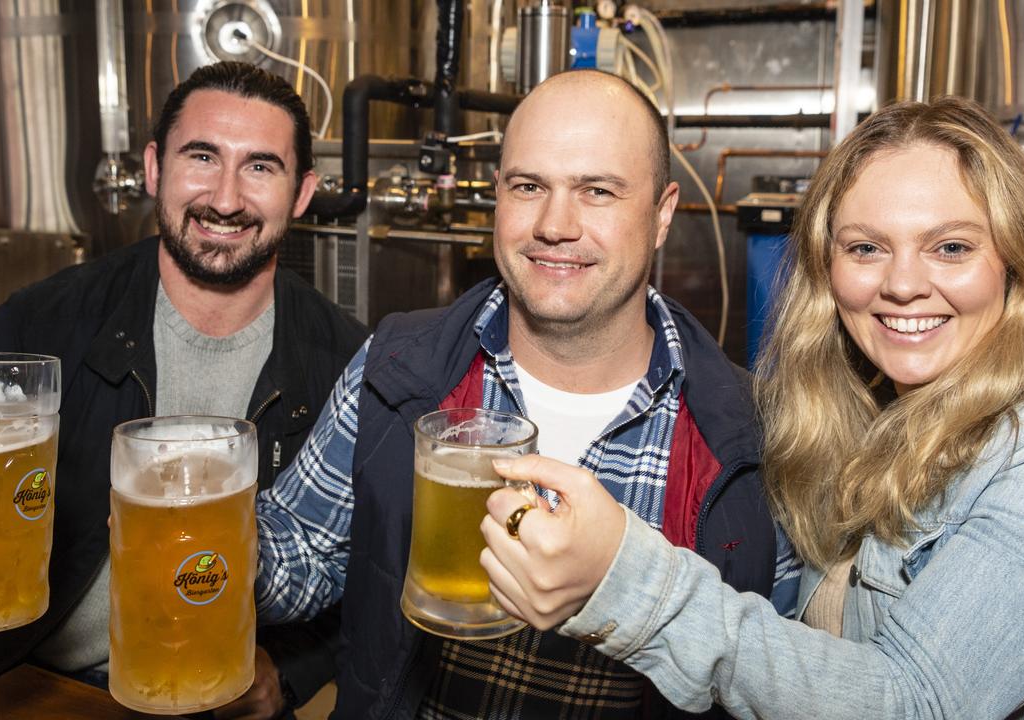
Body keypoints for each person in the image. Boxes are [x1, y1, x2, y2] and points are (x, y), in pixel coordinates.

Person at [480, 95, 1024, 718]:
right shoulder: (848, 431)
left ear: (1016, 260)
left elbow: (913, 702)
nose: (901, 284)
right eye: (866, 247)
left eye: (951, 247)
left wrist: (626, 576)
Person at [251, 68, 796, 719]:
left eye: (597, 191)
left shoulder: (752, 432)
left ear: (662, 215)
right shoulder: (400, 367)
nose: (554, 225)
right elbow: (301, 555)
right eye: (528, 186)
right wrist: (217, 539)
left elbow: (781, 675)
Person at [0, 61, 366, 719]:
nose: (225, 198)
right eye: (202, 157)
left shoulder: (346, 360)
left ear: (303, 192)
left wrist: (288, 671)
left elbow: (367, 574)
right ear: (153, 169)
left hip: (200, 689)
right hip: (9, 681)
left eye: (260, 167)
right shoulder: (51, 321)